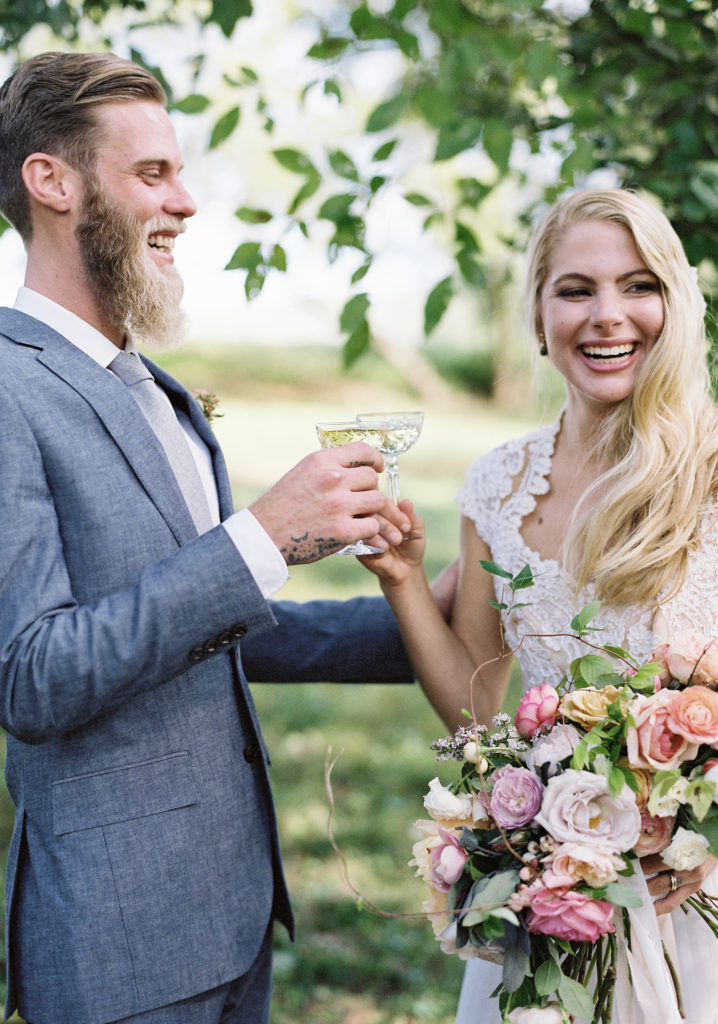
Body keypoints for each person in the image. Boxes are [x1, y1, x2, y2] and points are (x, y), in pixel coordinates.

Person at [0, 50, 424, 1024]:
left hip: (233, 915)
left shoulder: (160, 392)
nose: (186, 202)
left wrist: (420, 620)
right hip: (116, 944)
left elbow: (214, 624)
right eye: (152, 173)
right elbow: (30, 675)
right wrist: (264, 533)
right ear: (50, 181)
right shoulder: (8, 386)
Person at [363, 188, 718, 1023]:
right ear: (540, 319)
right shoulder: (496, 486)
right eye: (575, 290)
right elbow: (475, 699)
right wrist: (401, 578)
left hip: (704, 878)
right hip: (554, 888)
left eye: (638, 285)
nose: (608, 316)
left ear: (675, 304)